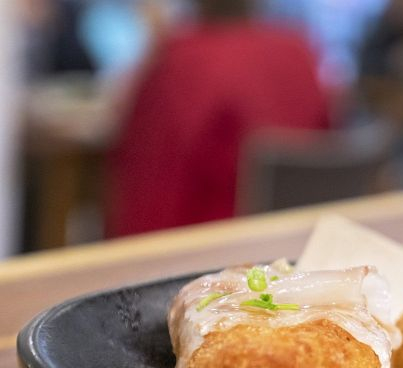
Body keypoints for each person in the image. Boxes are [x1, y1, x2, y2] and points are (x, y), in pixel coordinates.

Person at [106, 0, 332, 237]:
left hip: (209, 247)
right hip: (301, 240)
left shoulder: (180, 61)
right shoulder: (298, 51)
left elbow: (143, 194)